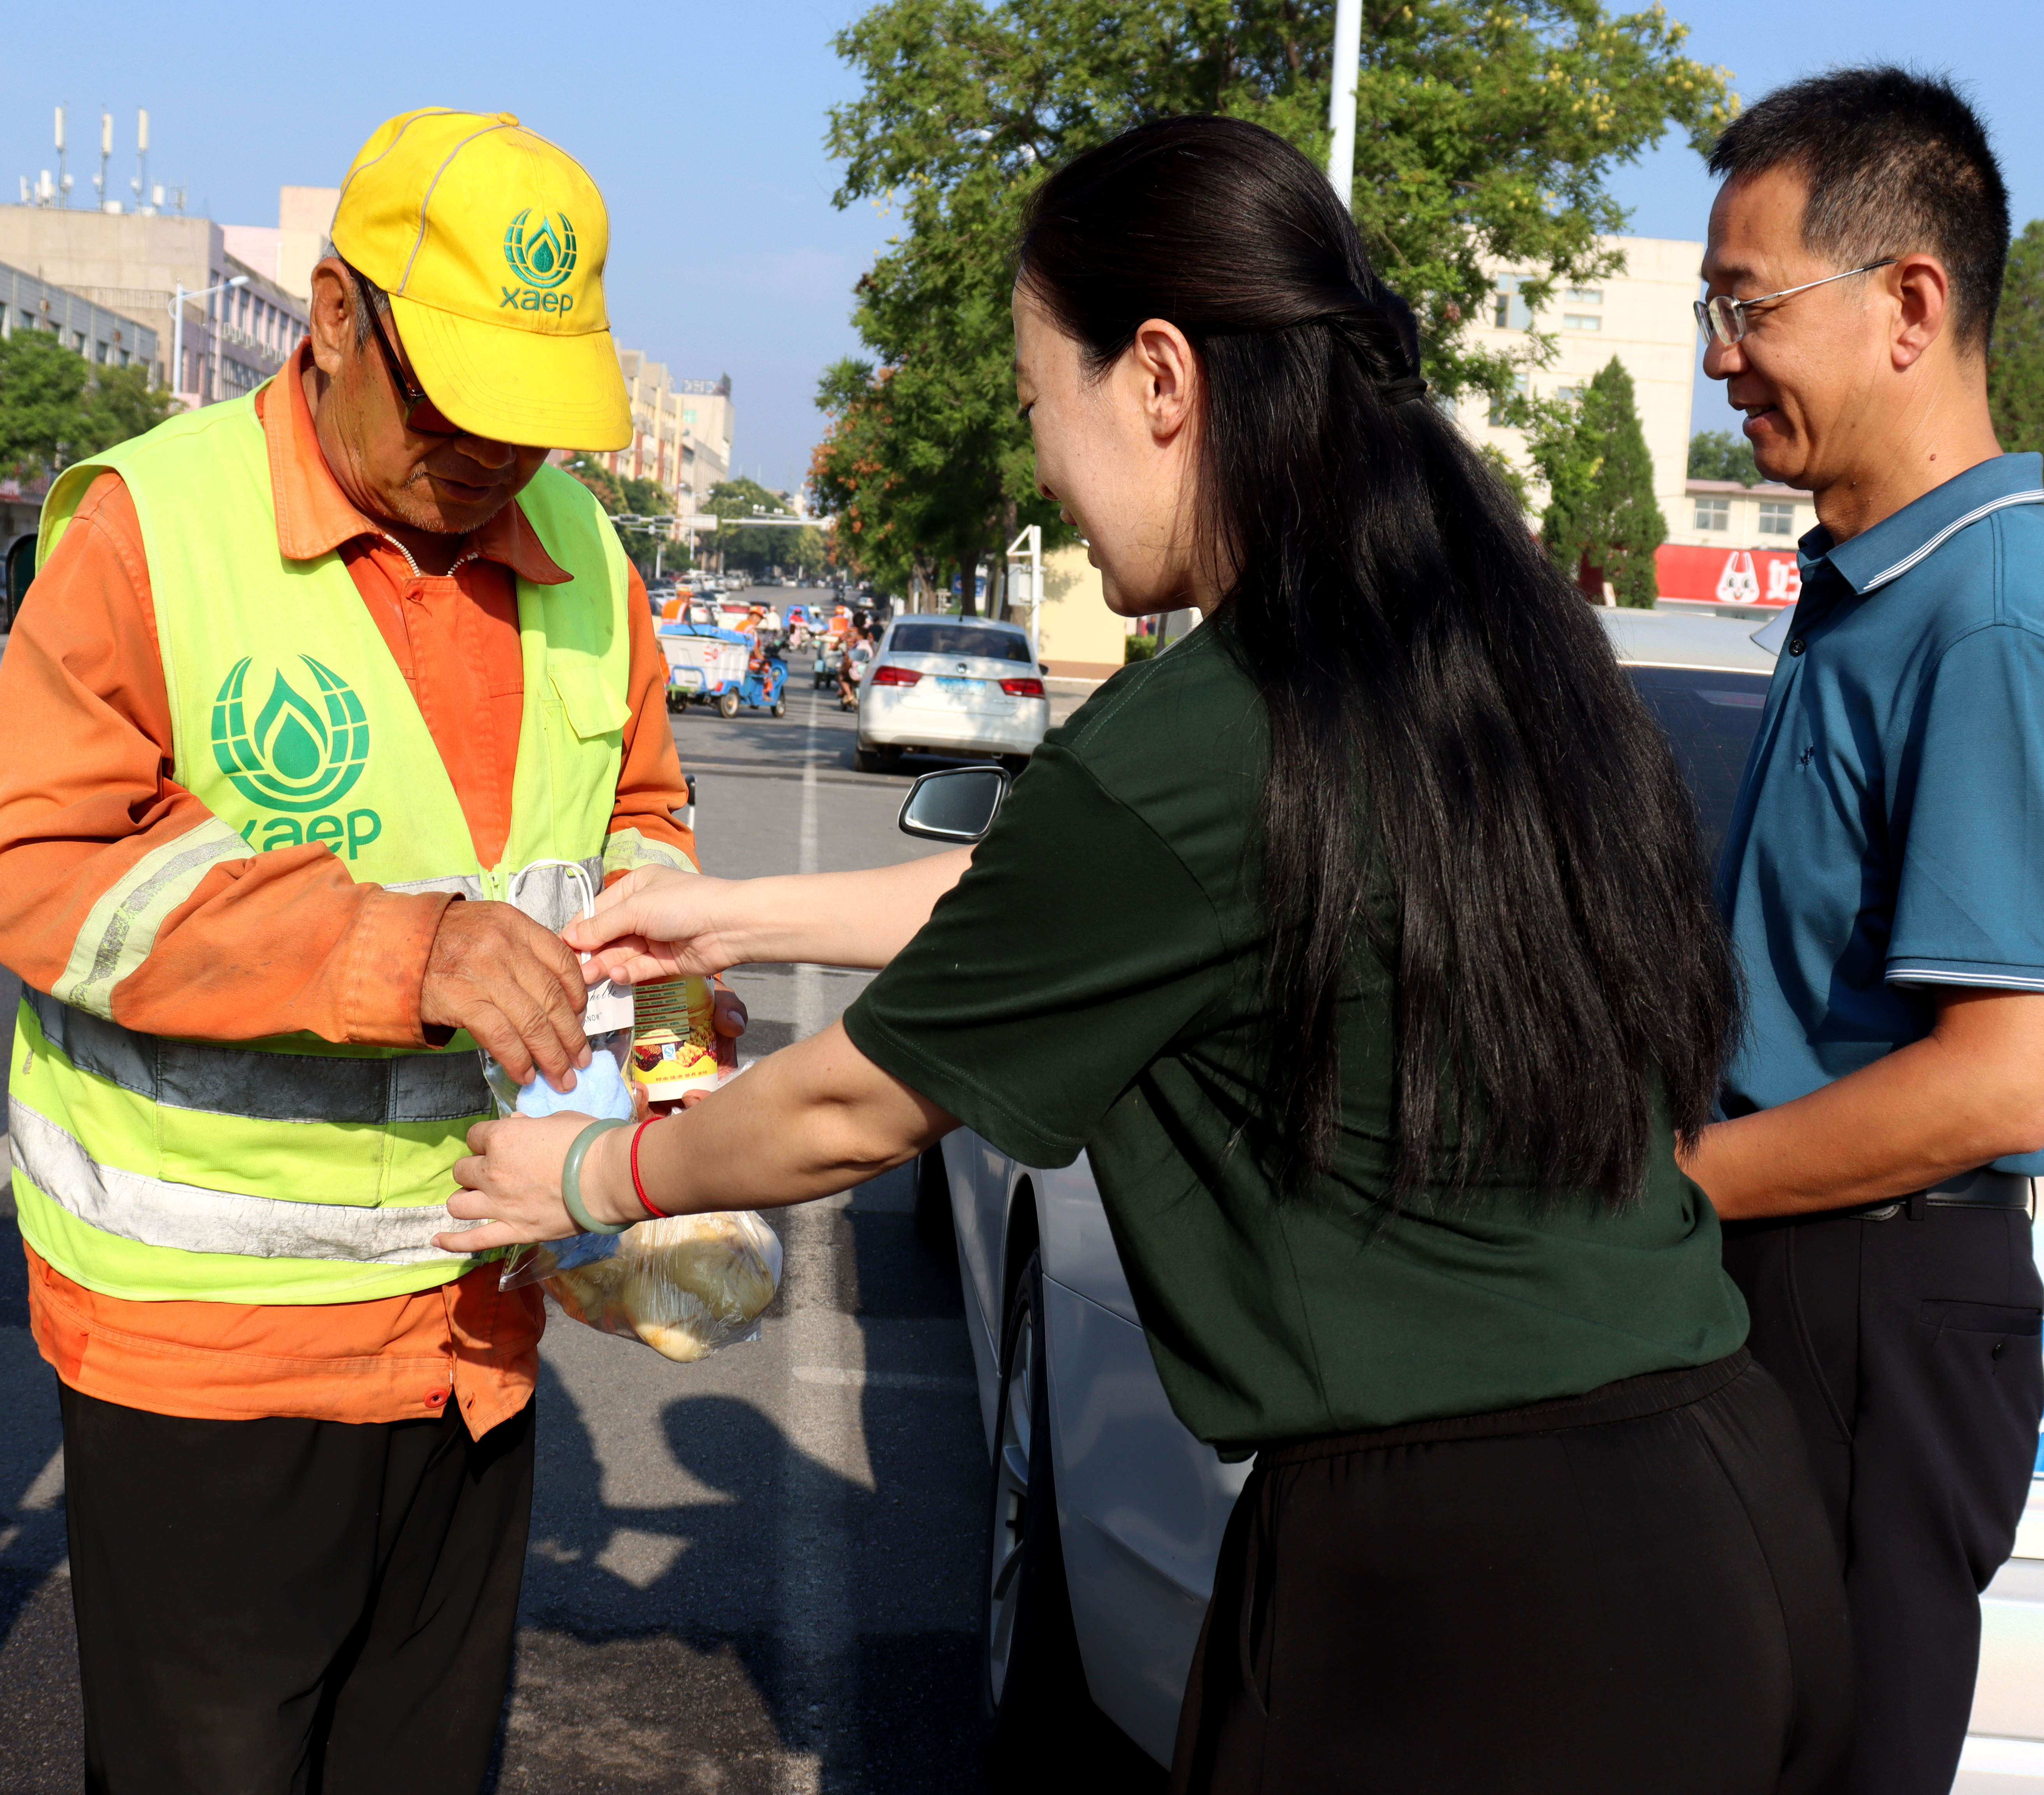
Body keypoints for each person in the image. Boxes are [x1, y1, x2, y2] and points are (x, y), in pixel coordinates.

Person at [452, 116, 1849, 1794]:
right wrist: (732, 914)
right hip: (1721, 1501)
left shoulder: (1214, 723)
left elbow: (854, 1110)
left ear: (1163, 378)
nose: (1045, 467)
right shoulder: (1478, 649)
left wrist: (592, 1175)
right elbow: (1091, 911)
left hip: (1473, 1599)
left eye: (1046, 404)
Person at [0, 108, 697, 1793]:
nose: (498, 455)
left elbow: (643, 818)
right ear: (334, 315)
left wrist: (666, 1048)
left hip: (471, 1329)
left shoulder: (590, 558)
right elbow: (39, 867)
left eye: (533, 416)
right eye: (459, 404)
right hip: (210, 1348)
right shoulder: (155, 522)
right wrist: (396, 953)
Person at [1669, 69, 2044, 1795]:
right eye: (1709, 310)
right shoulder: (1877, 587)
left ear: (1910, 305)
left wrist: (1680, 1185)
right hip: (1797, 1265)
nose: (1722, 355)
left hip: (1869, 1291)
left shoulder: (1999, 617)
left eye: (1748, 305)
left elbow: (2006, 1086)